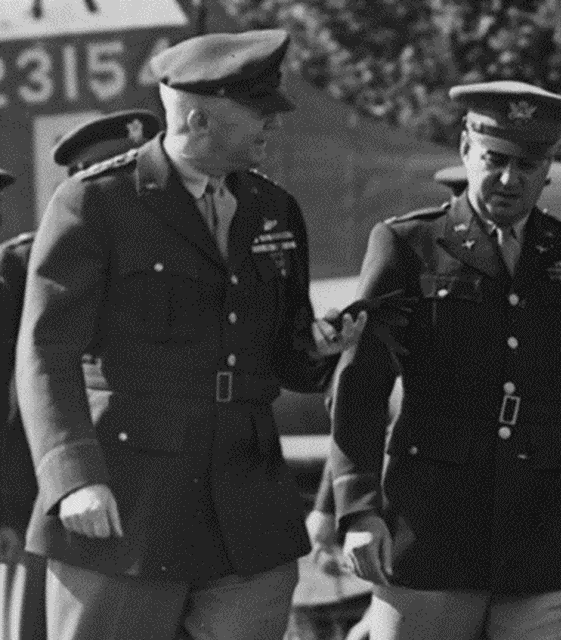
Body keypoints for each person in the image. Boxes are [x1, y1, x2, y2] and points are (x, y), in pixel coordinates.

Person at [15, 30, 373, 640]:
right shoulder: (95, 203)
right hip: (129, 505)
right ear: (200, 118)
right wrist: (72, 476)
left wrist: (318, 349)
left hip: (247, 505)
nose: (273, 126)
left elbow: (286, 353)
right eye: (259, 113)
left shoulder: (272, 209)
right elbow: (45, 349)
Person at [328, 81, 561, 640]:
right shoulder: (407, 245)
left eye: (528, 164)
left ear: (548, 171)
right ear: (466, 151)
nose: (509, 179)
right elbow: (361, 388)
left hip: (545, 536)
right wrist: (358, 510)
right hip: (430, 531)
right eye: (495, 159)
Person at [0, 109, 162, 640]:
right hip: (50, 499)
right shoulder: (24, 266)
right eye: (107, 171)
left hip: (165, 491)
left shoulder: (190, 247)